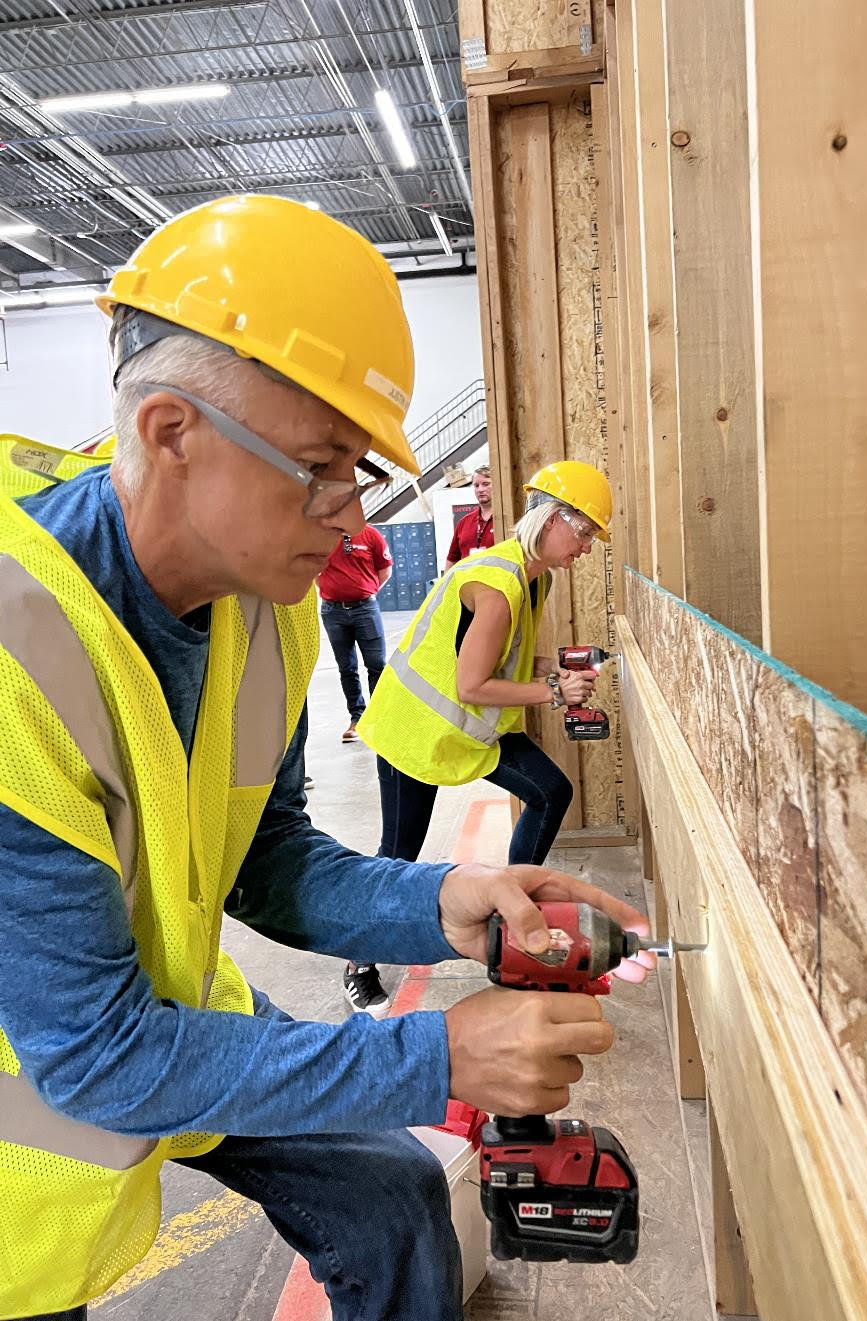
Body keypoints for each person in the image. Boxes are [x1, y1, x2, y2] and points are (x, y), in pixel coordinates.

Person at [0, 196, 654, 1321]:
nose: (353, 518)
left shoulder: (267, 607)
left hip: (163, 1016)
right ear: (170, 433)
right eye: (321, 466)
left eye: (356, 469)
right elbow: (96, 1058)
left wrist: (447, 900)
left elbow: (270, 863)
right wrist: (434, 1054)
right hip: (40, 1117)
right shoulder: (17, 653)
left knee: (388, 1191)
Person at [354, 462, 610, 1015]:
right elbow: (473, 683)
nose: (586, 548)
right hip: (416, 730)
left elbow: (504, 659)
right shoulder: (498, 585)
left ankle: (513, 915)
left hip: (470, 731)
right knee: (398, 855)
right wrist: (553, 691)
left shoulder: (531, 575)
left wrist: (560, 666)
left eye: (592, 536)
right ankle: (358, 962)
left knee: (549, 791)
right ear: (549, 519)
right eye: (584, 532)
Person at [318, 525, 392, 744]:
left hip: (365, 609)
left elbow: (385, 569)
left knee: (376, 664)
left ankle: (380, 719)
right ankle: (357, 718)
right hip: (333, 611)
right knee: (347, 668)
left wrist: (364, 591)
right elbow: (314, 573)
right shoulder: (321, 535)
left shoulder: (370, 535)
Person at [444, 464, 494, 569]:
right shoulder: (464, 523)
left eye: (486, 484)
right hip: (468, 583)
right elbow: (451, 560)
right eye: (476, 485)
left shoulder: (506, 521)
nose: (480, 489)